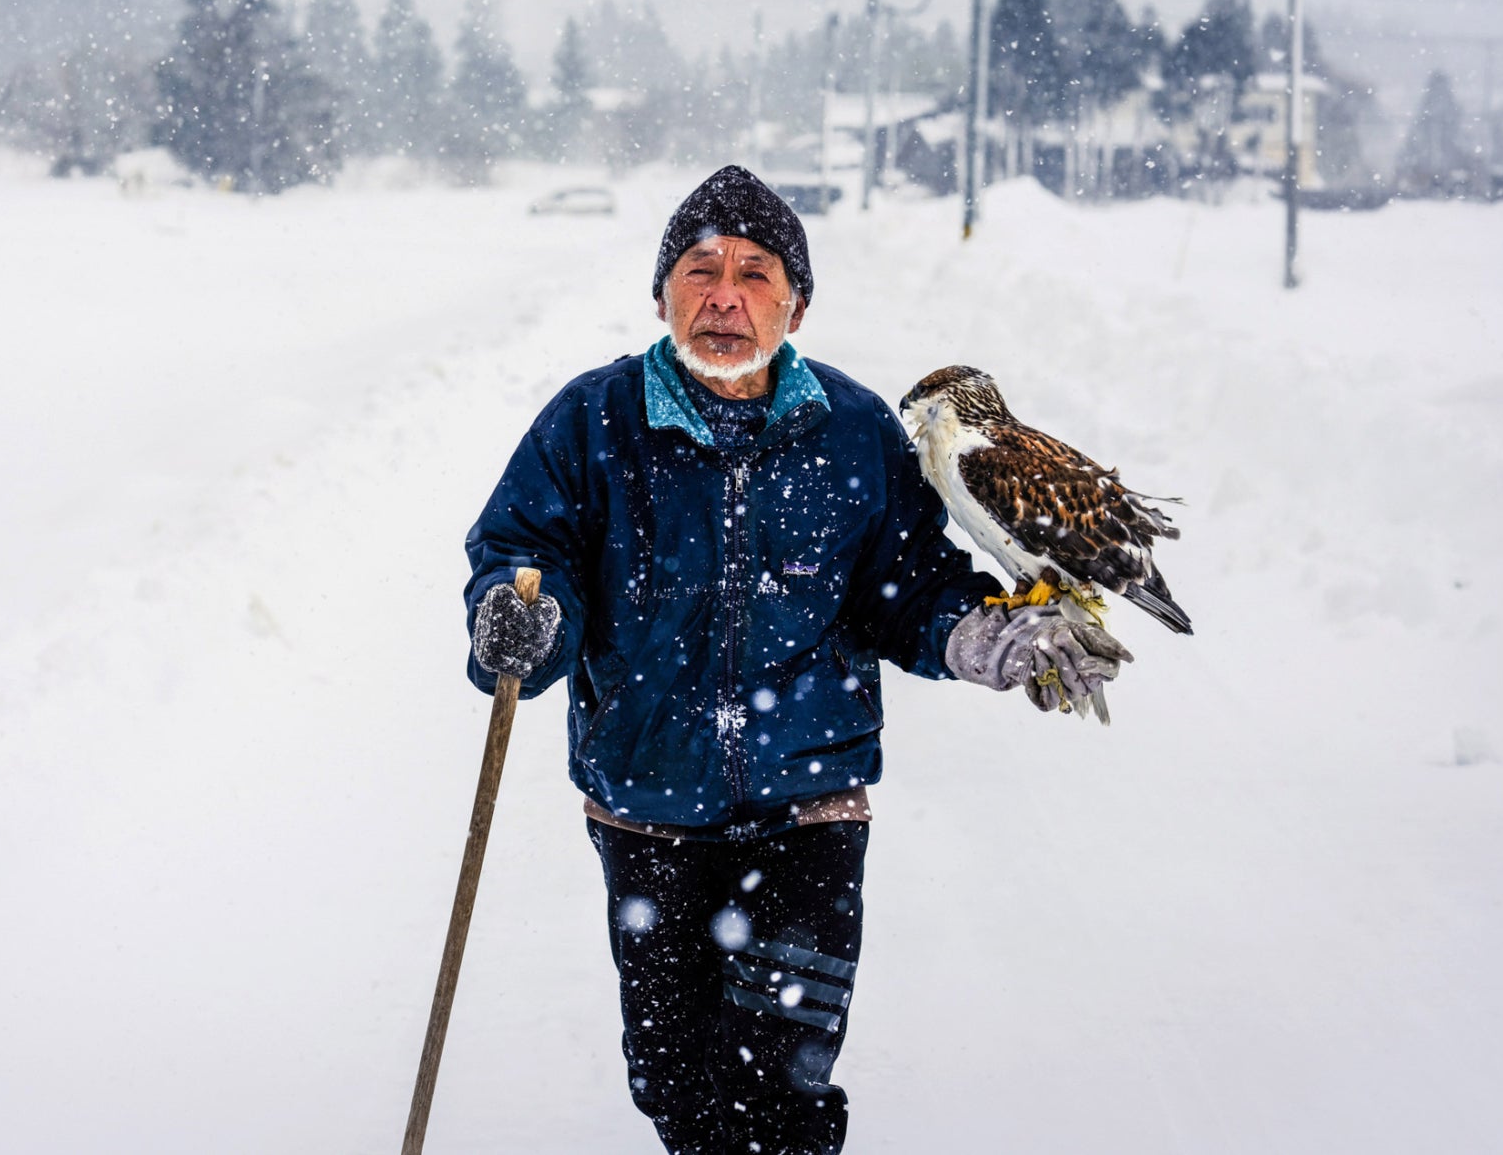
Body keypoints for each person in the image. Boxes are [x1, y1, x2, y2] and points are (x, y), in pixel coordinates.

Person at [462, 165, 1130, 1155]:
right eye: (698, 270)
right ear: (660, 296)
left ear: (796, 306)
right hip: (649, 809)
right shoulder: (593, 421)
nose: (724, 295)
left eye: (754, 273)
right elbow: (520, 556)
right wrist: (519, 622)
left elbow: (907, 585)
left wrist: (987, 636)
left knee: (781, 1082)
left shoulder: (853, 430)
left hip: (807, 808)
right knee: (672, 1078)